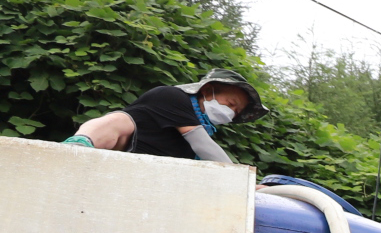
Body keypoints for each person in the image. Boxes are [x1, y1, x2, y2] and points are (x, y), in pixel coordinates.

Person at [63, 68, 264, 164]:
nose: (231, 113)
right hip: (118, 154)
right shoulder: (172, 96)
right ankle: (79, 144)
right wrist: (239, 177)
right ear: (207, 90)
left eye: (236, 112)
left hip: (145, 175)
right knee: (119, 120)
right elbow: (202, 144)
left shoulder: (201, 132)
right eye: (231, 104)